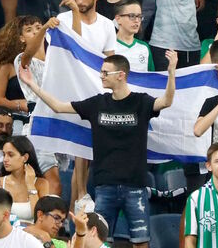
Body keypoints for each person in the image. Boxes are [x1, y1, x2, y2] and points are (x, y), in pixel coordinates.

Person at [20, 52, 175, 248]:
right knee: (97, 244)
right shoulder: (97, 103)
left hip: (135, 185)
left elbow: (166, 101)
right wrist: (32, 84)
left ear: (121, 75)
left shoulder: (141, 102)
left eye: (105, 72)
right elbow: (58, 107)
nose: (101, 76)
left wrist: (171, 73)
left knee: (141, 243)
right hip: (104, 185)